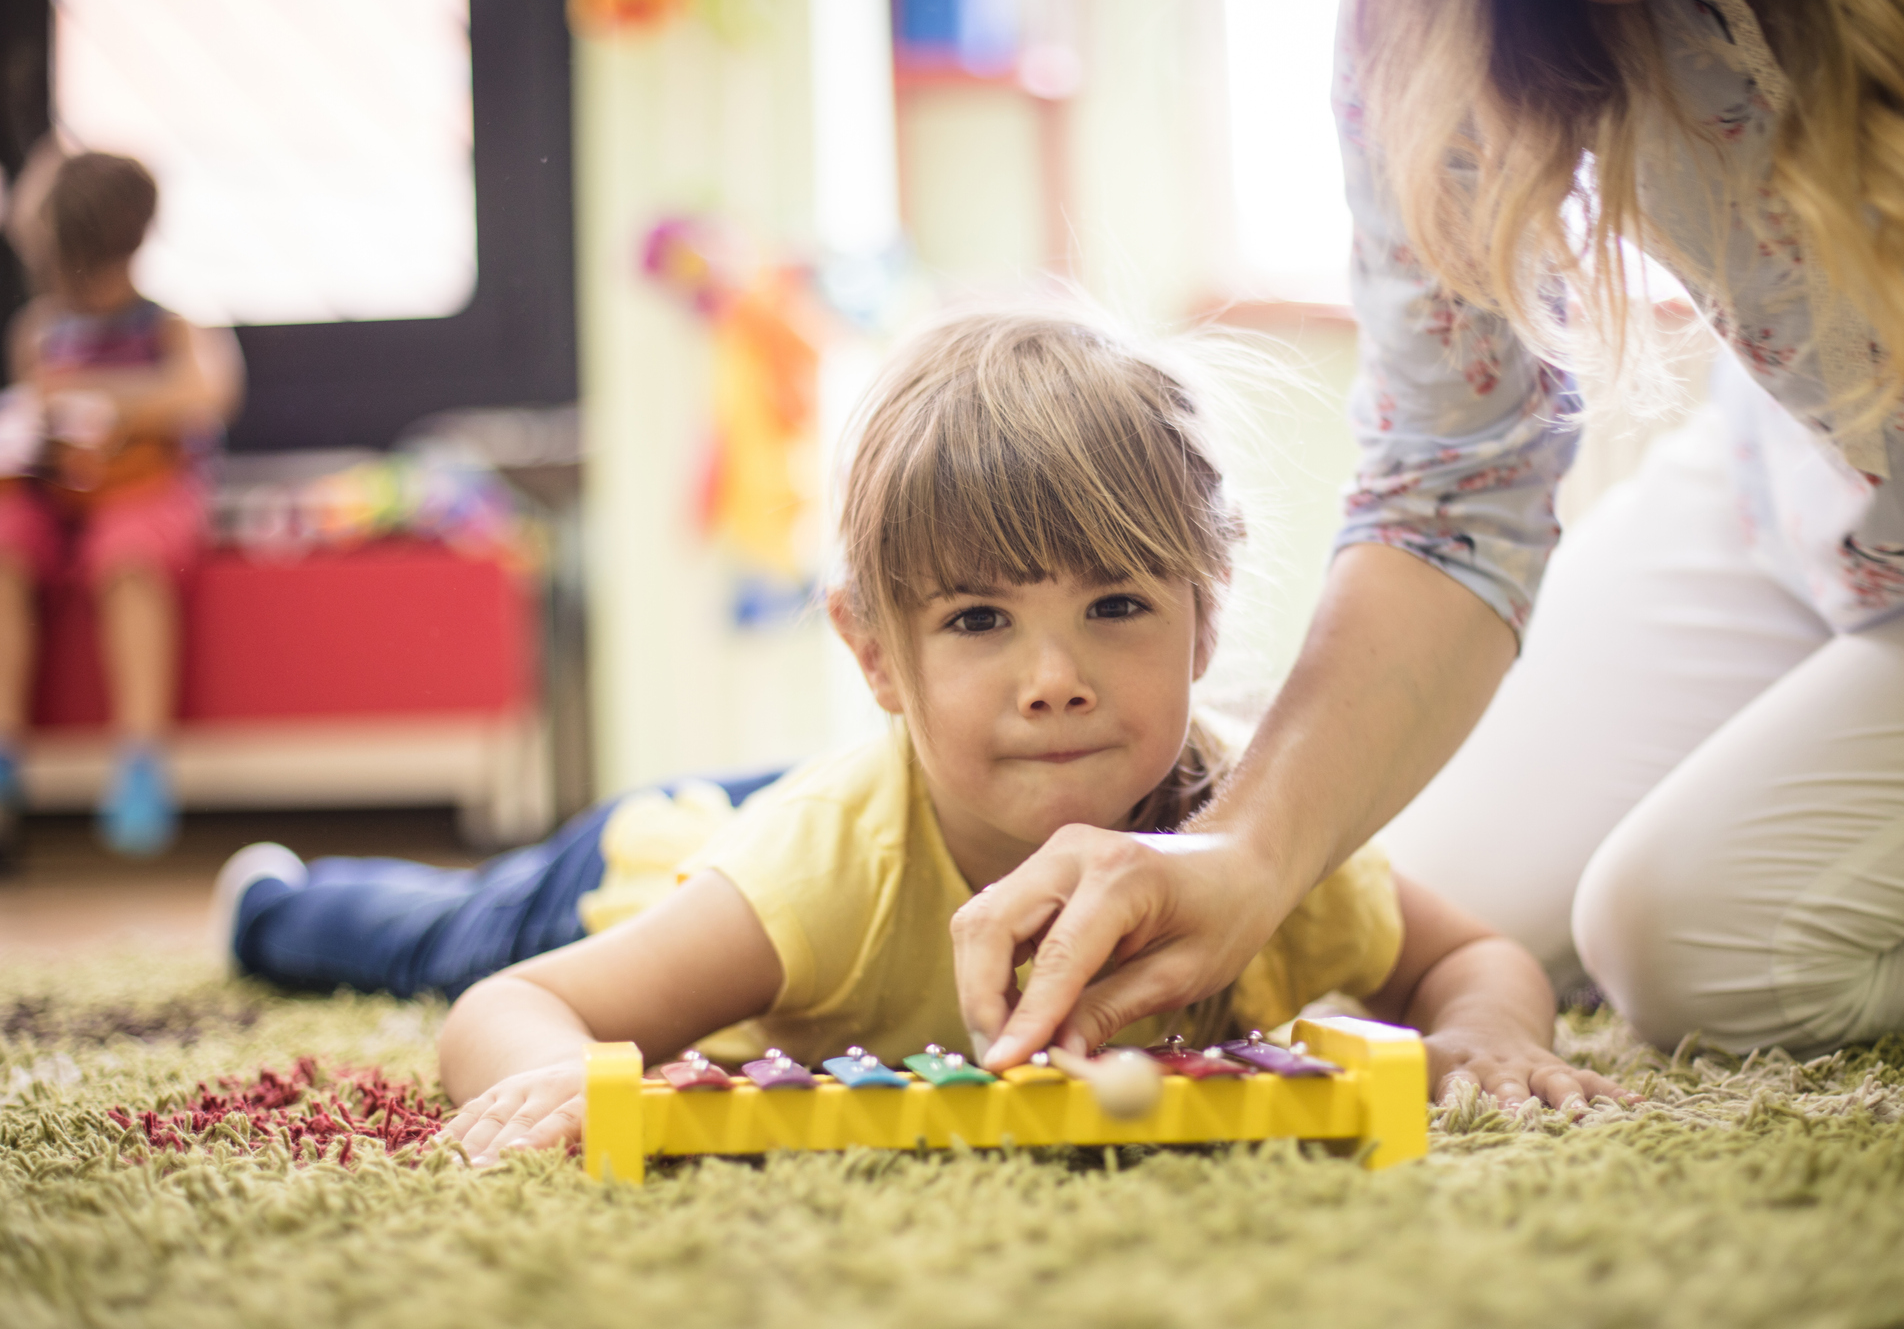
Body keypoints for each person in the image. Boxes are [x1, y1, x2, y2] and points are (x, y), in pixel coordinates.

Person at [952, 0, 1904, 1083]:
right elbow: (1450, 489)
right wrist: (1245, 850)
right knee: (1406, 899)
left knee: (1693, 939)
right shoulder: (1431, 16)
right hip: (1796, 488)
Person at [214, 305, 1623, 1164]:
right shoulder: (824, 877)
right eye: (978, 621)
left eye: (1116, 603)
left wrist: (1489, 1036)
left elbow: (1470, 955)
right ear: (873, 651)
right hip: (664, 853)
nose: (1056, 676)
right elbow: (512, 1010)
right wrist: (549, 1088)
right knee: (438, 933)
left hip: (868, 798)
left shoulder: (1265, 819)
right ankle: (279, 897)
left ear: (1207, 620)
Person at [0, 148, 244, 860]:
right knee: (5, 547)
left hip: (146, 492)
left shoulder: (170, 326)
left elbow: (208, 394)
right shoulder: (40, 332)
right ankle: (6, 753)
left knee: (129, 558)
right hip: (58, 493)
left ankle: (140, 759)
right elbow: (33, 417)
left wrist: (112, 404)